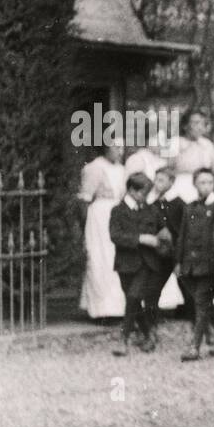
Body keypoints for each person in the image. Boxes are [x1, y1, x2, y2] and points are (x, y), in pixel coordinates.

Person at [177, 168, 214, 361]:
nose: (206, 186)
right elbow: (182, 236)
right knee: (205, 304)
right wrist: (178, 262)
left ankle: (194, 347)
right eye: (202, 182)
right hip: (190, 266)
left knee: (200, 304)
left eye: (209, 182)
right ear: (195, 184)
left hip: (208, 267)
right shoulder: (189, 207)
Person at [107, 172, 162, 355]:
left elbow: (161, 230)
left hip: (146, 263)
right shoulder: (118, 211)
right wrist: (140, 238)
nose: (145, 197)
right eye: (142, 193)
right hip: (125, 263)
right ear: (131, 190)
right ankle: (148, 335)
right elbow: (115, 236)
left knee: (133, 297)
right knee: (134, 303)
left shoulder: (151, 210)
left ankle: (124, 340)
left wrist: (160, 239)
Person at [77, 142, 128, 321]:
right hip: (99, 217)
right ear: (106, 147)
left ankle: (118, 308)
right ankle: (101, 310)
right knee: (101, 259)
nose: (119, 151)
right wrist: (86, 226)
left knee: (117, 258)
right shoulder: (94, 168)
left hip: (118, 215)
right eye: (115, 147)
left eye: (122, 148)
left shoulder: (122, 169)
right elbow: (84, 199)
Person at [146, 166, 185, 317]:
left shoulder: (179, 204)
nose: (157, 183)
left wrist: (179, 258)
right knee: (153, 288)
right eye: (155, 180)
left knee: (188, 288)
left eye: (161, 180)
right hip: (162, 254)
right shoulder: (153, 204)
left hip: (178, 254)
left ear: (172, 182)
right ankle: (151, 320)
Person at [169, 109, 214, 202]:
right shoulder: (175, 142)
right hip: (180, 184)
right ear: (185, 126)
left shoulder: (207, 144)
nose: (200, 127)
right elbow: (168, 167)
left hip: (204, 185)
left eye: (203, 124)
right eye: (196, 123)